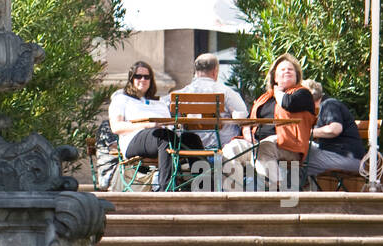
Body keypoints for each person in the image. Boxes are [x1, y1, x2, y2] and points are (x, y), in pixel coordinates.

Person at [221, 53, 316, 191]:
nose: (287, 71)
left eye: (290, 69)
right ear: (275, 77)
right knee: (231, 149)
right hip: (257, 144)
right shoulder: (264, 98)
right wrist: (247, 133)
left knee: (264, 147)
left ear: (297, 76)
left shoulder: (302, 94)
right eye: (282, 70)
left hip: (289, 145)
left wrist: (278, 91)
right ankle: (234, 193)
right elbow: (249, 121)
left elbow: (288, 103)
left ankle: (276, 192)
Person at [108, 61, 205, 192]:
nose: (143, 80)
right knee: (164, 137)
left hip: (163, 136)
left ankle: (203, 186)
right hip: (133, 139)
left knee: (192, 139)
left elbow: (169, 124)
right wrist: (148, 125)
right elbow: (116, 127)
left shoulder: (158, 102)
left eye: (147, 77)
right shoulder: (122, 99)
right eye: (138, 76)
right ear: (131, 79)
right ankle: (168, 189)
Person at [175, 52, 248, 152]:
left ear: (195, 72)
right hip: (223, 148)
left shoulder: (181, 94)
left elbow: (168, 113)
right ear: (215, 71)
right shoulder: (227, 92)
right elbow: (242, 117)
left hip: (191, 148)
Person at [303, 79, 364, 183]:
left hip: (347, 157)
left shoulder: (329, 104)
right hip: (345, 156)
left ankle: (287, 196)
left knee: (296, 158)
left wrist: (306, 133)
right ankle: (298, 193)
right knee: (299, 154)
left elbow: (334, 129)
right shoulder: (325, 106)